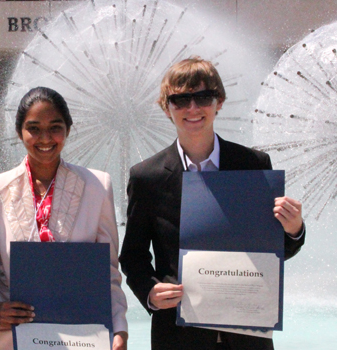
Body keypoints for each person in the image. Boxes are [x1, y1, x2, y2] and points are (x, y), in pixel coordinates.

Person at [119, 56, 306, 350]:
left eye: (203, 97)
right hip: (178, 334)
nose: (192, 108)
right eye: (180, 100)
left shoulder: (253, 164)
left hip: (247, 336)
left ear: (219, 101)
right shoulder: (146, 177)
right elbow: (132, 256)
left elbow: (275, 251)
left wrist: (294, 229)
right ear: (166, 108)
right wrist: (150, 293)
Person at [0, 87, 128, 350]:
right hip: (11, 338)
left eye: (55, 127)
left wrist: (120, 330)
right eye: (33, 128)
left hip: (82, 336)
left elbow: (108, 272)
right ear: (19, 132)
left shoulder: (98, 186)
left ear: (68, 129)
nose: (45, 138)